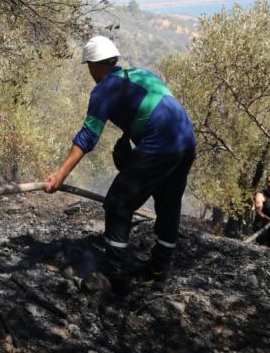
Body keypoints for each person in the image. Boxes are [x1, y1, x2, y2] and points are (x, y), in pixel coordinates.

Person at [44, 36, 196, 293]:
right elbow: (151, 110)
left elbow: (87, 136)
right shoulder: (142, 74)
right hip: (186, 142)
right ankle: (158, 269)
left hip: (160, 145)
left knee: (117, 204)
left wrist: (60, 174)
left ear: (92, 64)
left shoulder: (104, 89)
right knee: (169, 204)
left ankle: (114, 275)